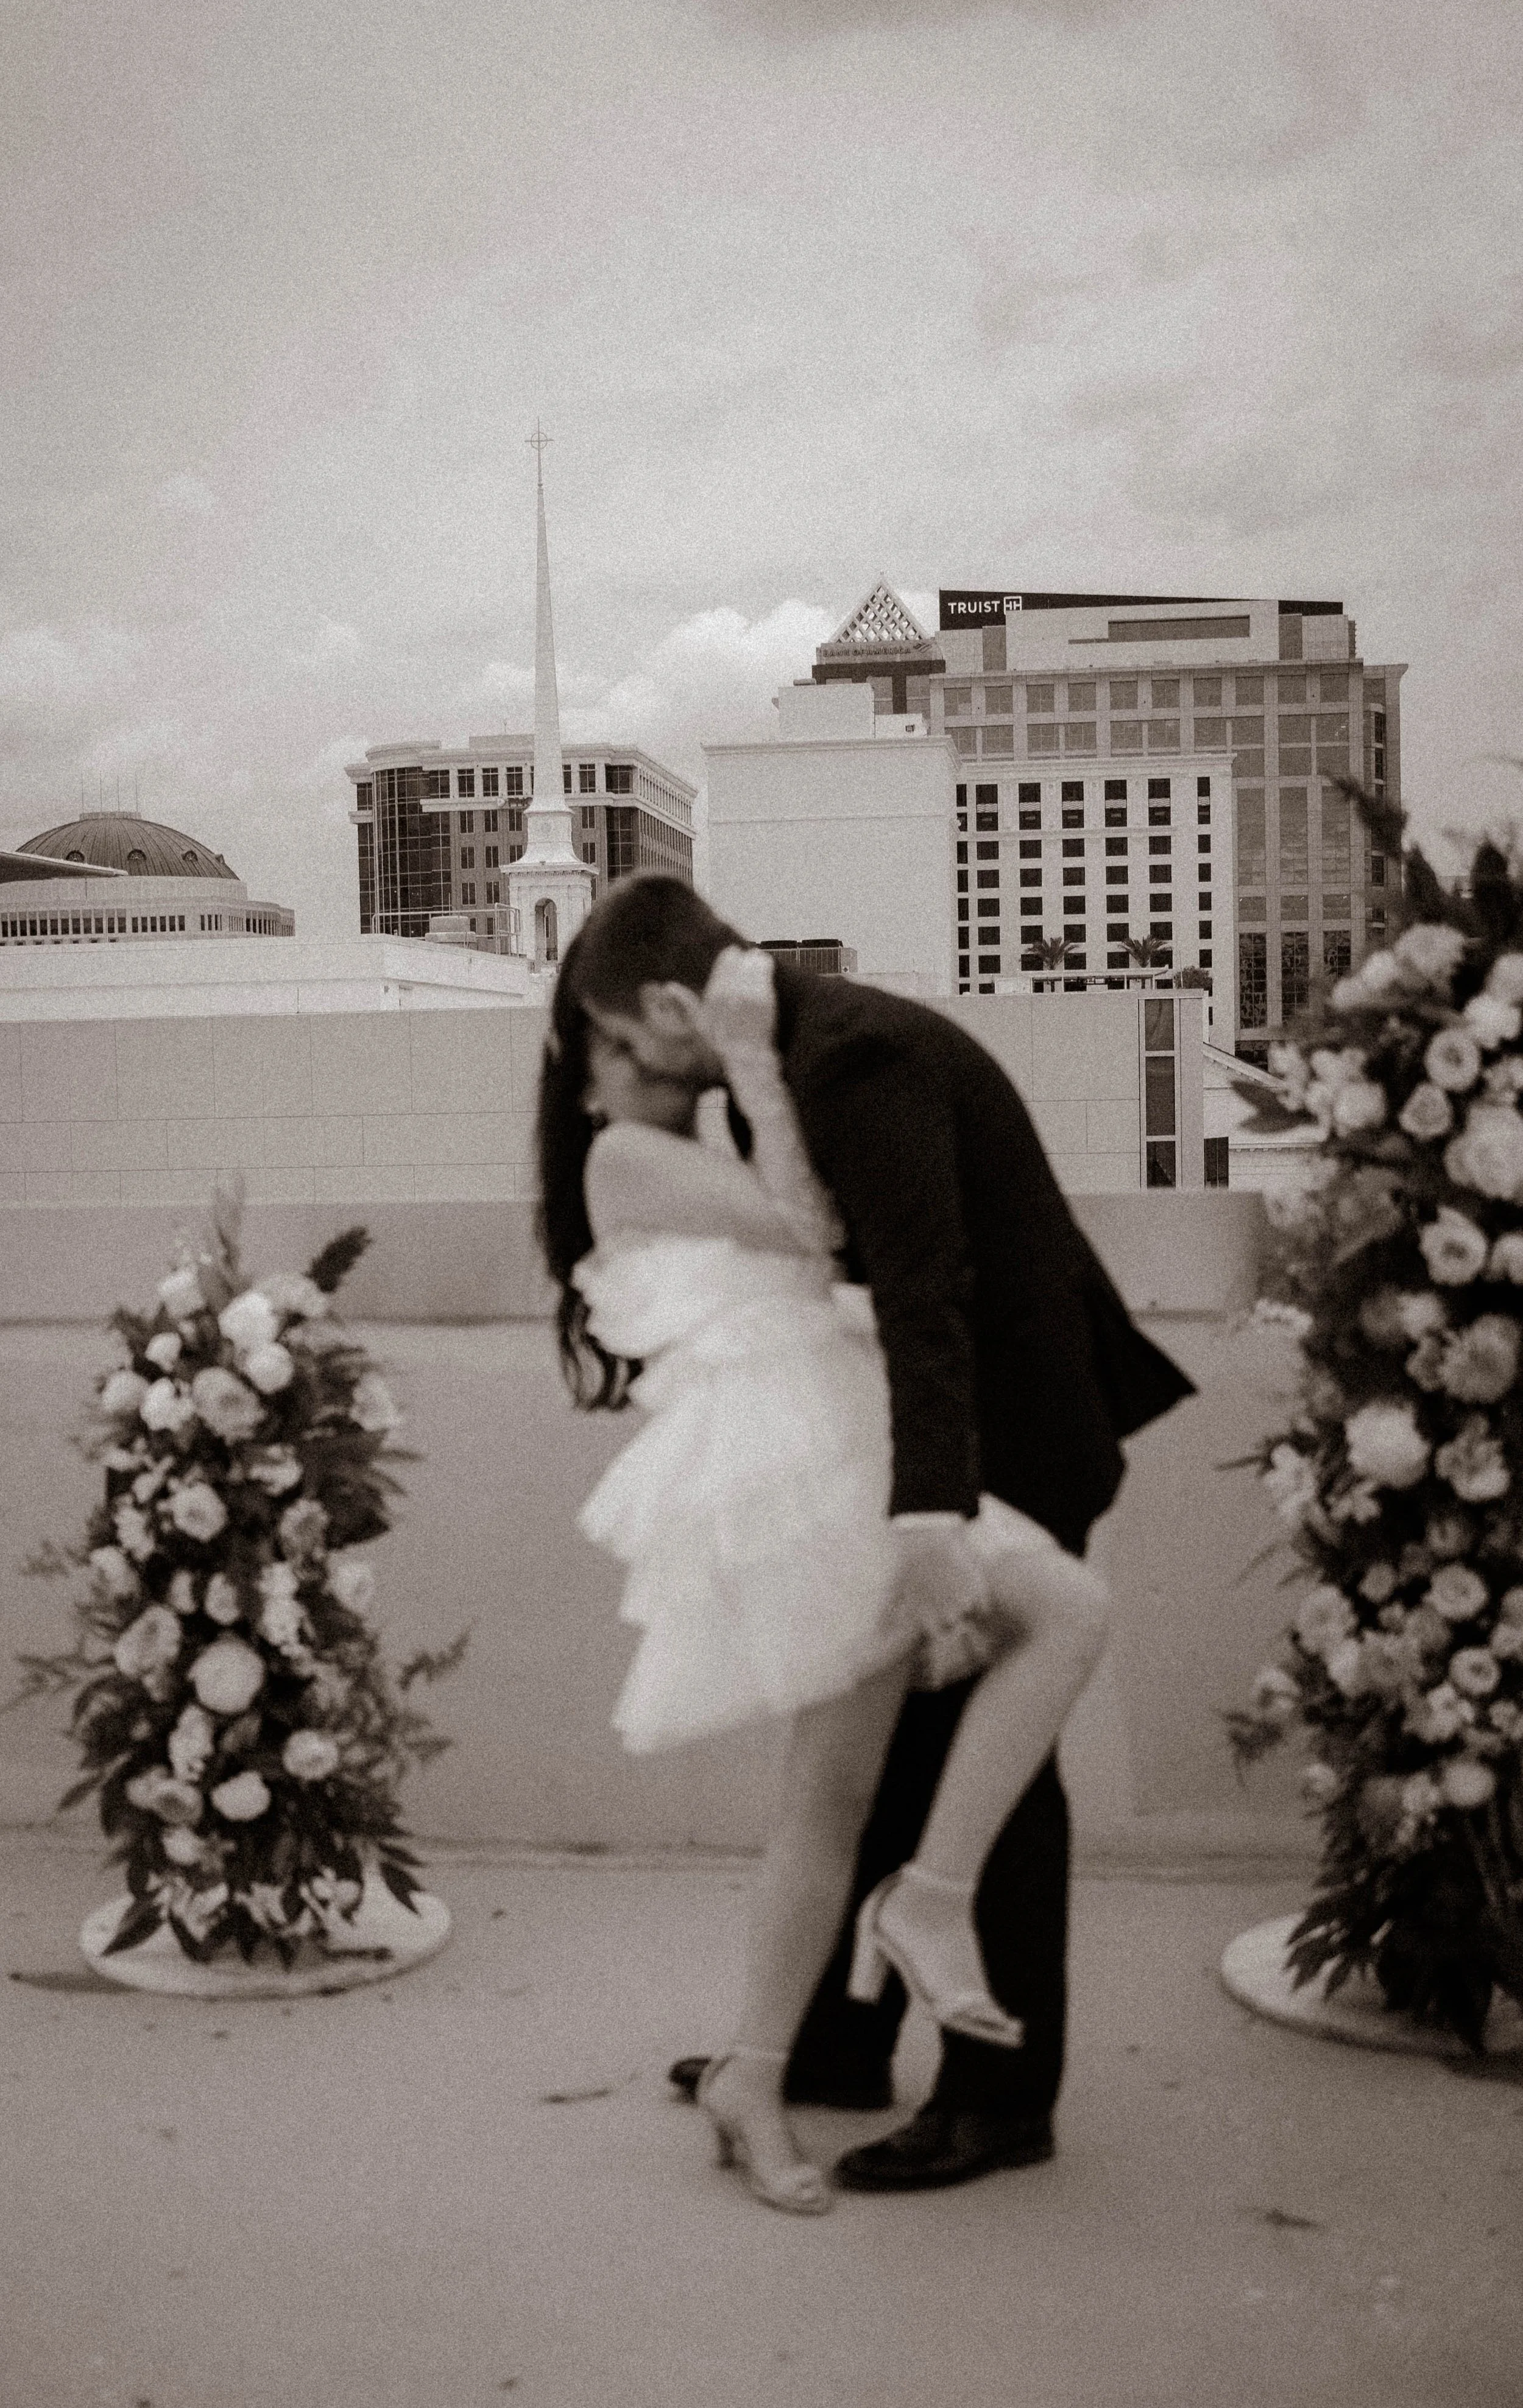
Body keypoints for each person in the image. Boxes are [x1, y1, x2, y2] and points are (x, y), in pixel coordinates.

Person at [537, 876, 1195, 2195]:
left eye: (613, 1033)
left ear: (671, 1008)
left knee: (976, 1764)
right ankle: (831, 2038)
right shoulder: (760, 1077)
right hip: (902, 1437)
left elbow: (920, 1297)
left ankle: (998, 2095)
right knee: (879, 1753)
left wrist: (926, 1511)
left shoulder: (847, 1060)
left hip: (997, 1429)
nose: (607, 1067)